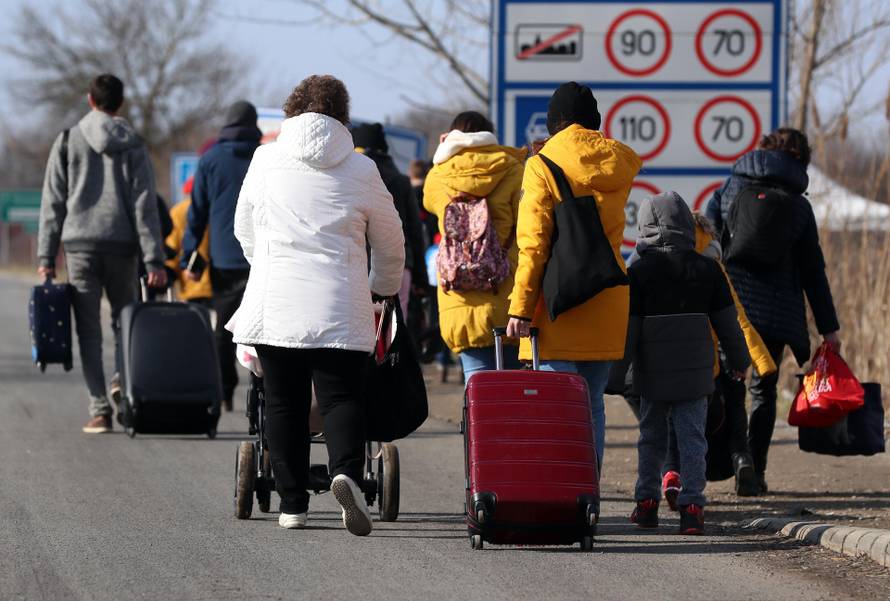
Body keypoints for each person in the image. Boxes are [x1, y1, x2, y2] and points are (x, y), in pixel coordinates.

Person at [226, 75, 405, 535]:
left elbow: (243, 227)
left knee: (283, 403)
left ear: (292, 110)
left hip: (276, 304)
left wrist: (265, 263)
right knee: (342, 396)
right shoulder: (362, 170)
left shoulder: (265, 159)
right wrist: (381, 288)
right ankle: (346, 472)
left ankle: (292, 505)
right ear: (343, 116)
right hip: (340, 304)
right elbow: (390, 241)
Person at [506, 82, 641, 469]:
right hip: (607, 294)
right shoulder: (618, 164)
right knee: (592, 403)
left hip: (558, 304)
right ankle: (587, 496)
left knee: (555, 407)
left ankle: (558, 494)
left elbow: (534, 246)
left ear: (554, 122)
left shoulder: (542, 165)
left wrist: (519, 309)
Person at [705, 128, 841, 494]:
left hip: (730, 309)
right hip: (777, 315)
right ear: (800, 161)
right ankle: (757, 472)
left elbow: (707, 243)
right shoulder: (799, 205)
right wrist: (829, 328)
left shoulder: (728, 190)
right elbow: (814, 271)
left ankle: (738, 457)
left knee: (732, 385)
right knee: (763, 390)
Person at [36, 73, 167, 434]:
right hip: (123, 248)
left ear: (90, 100)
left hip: (79, 248)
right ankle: (121, 385)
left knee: (88, 331)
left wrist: (46, 258)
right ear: (119, 104)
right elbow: (145, 206)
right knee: (125, 325)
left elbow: (53, 202)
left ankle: (99, 410)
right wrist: (154, 259)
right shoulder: (134, 144)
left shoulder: (67, 140)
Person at [625, 192, 750, 535]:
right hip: (696, 375)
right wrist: (740, 362)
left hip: (652, 375)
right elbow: (729, 324)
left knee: (651, 438)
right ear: (685, 225)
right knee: (693, 439)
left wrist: (618, 374)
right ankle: (692, 508)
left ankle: (646, 504)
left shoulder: (638, 272)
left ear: (645, 226)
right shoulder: (707, 269)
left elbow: (629, 330)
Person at [659, 213, 777, 503]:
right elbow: (739, 319)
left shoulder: (667, 266)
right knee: (735, 407)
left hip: (670, 363)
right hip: (714, 361)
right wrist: (758, 361)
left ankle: (673, 474)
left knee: (674, 421)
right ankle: (742, 461)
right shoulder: (714, 268)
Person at [423, 111, 527, 380]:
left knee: (478, 394)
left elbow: (428, 201)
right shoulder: (513, 169)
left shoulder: (439, 174)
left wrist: (442, 152)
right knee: (513, 394)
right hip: (506, 295)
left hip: (459, 297)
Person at [182, 101, 262, 412]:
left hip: (225, 260)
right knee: (266, 331)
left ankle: (225, 390)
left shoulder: (211, 160)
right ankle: (264, 392)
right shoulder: (267, 157)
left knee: (224, 329)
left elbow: (197, 213)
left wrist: (191, 254)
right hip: (264, 260)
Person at [352, 123, 427, 317]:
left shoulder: (352, 178)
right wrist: (421, 278)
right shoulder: (401, 181)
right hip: (400, 265)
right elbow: (414, 231)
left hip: (358, 265)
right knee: (394, 325)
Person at [165, 177, 212, 304]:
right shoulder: (215, 209)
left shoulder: (178, 211)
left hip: (190, 281)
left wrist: (169, 272)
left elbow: (172, 246)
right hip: (221, 284)